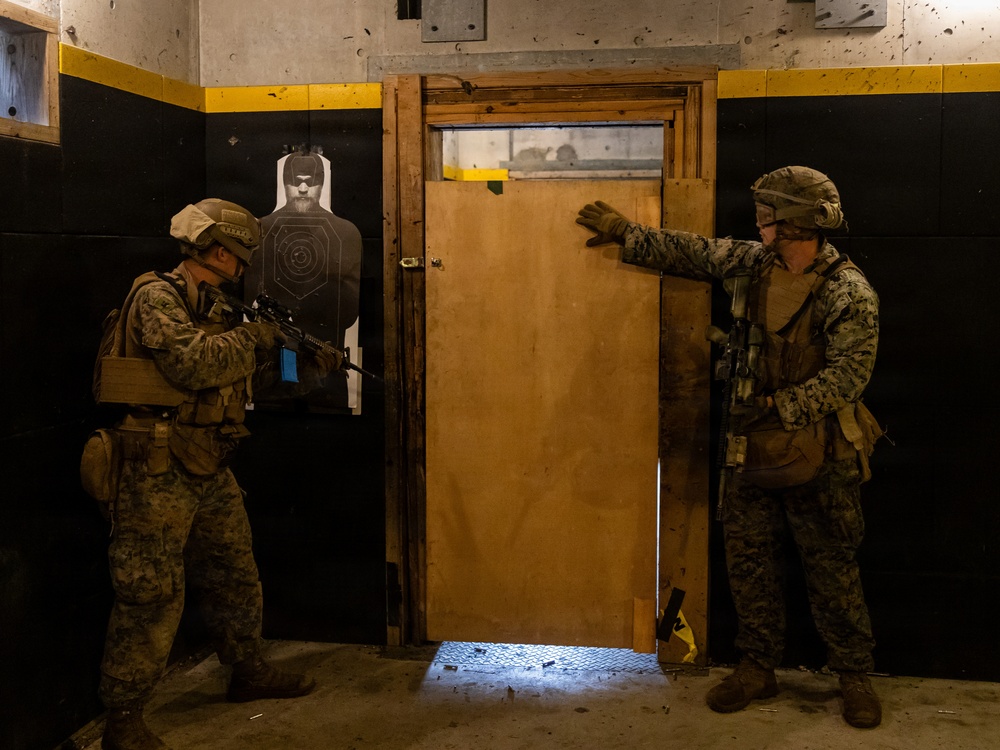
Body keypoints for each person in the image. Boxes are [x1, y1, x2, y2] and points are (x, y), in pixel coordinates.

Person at [576, 166, 883, 729]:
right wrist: (626, 232)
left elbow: (850, 377)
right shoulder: (754, 263)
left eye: (770, 214)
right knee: (749, 563)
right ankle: (758, 666)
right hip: (750, 449)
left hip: (823, 453)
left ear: (798, 222)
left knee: (832, 569)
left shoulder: (848, 290)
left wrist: (776, 408)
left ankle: (854, 676)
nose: (759, 222)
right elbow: (692, 252)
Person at [94, 199, 339, 750]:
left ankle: (247, 670)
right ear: (221, 251)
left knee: (235, 571)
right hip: (156, 465)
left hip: (208, 458)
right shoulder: (158, 296)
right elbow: (192, 365)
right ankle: (123, 717)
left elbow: (237, 378)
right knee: (150, 594)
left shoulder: (220, 307)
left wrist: (299, 359)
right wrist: (259, 338)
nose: (244, 265)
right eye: (241, 255)